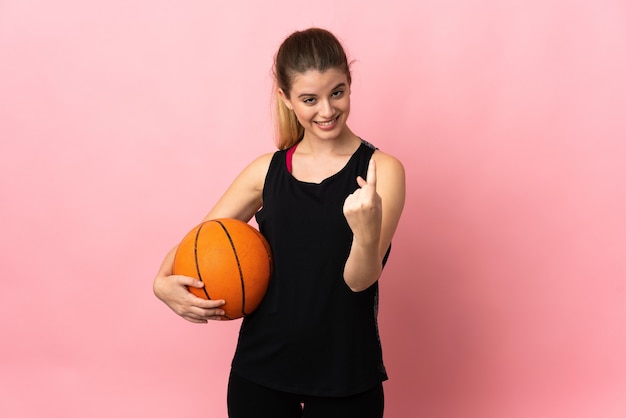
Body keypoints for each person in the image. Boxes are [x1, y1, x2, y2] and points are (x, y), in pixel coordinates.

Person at [153, 27, 405, 418]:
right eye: (310, 99)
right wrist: (160, 283)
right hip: (261, 370)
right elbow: (200, 241)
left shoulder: (381, 171)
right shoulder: (265, 172)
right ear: (286, 99)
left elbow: (359, 280)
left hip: (346, 372)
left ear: (350, 84)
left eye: (337, 92)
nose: (327, 110)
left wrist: (366, 230)